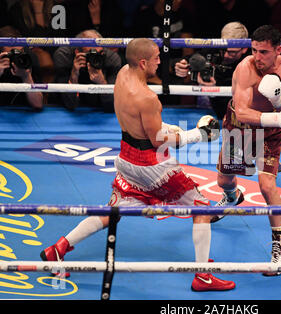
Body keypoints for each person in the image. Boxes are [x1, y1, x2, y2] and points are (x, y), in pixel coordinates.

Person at [40, 38, 236, 292]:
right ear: (143, 62)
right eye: (156, 57)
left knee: (113, 210)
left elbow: (143, 129)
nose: (160, 61)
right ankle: (203, 276)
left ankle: (58, 248)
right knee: (202, 209)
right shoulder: (147, 98)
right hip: (151, 167)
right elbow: (159, 142)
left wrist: (169, 128)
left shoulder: (123, 74)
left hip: (126, 156)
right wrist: (197, 134)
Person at [214, 25, 281, 276]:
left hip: (270, 133)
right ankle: (233, 197)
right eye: (254, 50)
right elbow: (242, 111)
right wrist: (277, 117)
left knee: (267, 186)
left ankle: (280, 250)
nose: (257, 57)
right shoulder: (245, 68)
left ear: (278, 50)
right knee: (224, 179)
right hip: (239, 126)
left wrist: (277, 102)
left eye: (263, 52)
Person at [174, 21, 249, 120]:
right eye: (224, 49)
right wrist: (182, 66)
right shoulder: (214, 49)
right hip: (207, 113)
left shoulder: (250, 62)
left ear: (244, 49)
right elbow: (193, 58)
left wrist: (215, 90)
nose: (226, 55)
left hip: (238, 114)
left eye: (232, 52)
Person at [53, 29, 122, 112]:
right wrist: (74, 75)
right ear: (77, 52)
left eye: (99, 53)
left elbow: (112, 106)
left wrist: (102, 83)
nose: (95, 57)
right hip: (63, 111)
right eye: (91, 53)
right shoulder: (64, 56)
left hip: (99, 108)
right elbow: (69, 104)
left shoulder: (111, 59)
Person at [0, 26, 43, 110]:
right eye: (12, 53)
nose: (16, 56)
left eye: (19, 52)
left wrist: (27, 77)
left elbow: (38, 104)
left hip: (25, 110)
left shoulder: (29, 58)